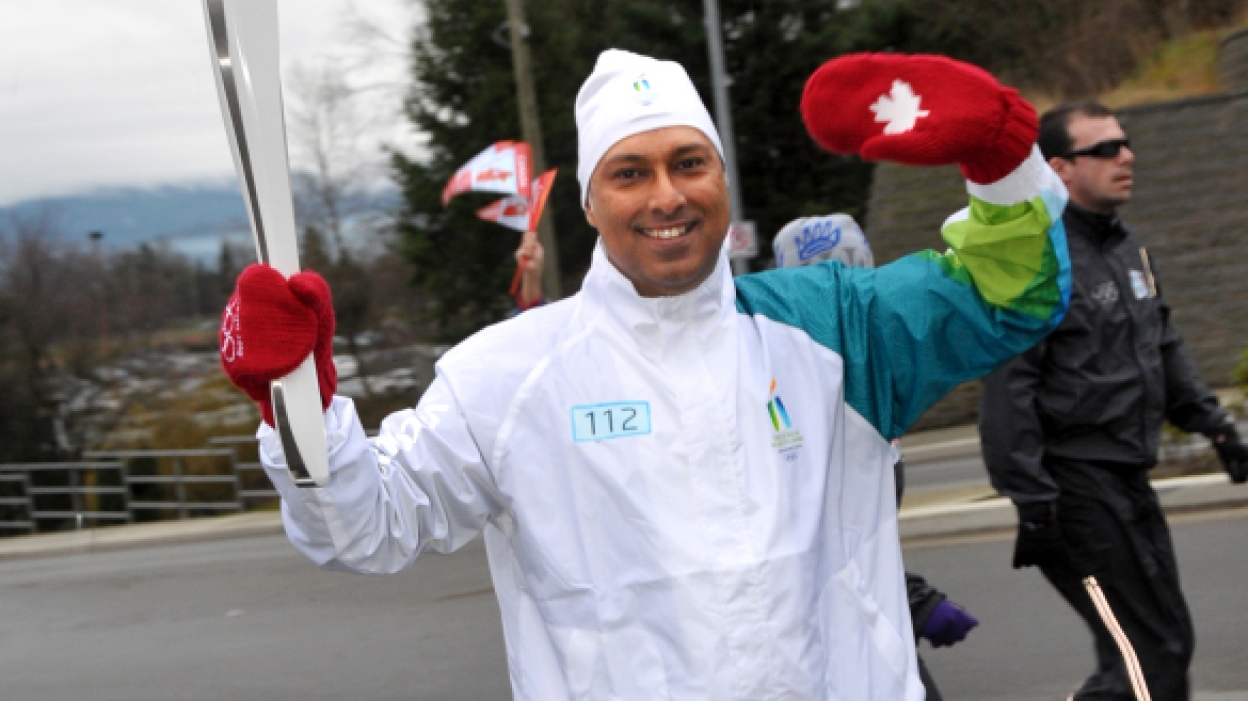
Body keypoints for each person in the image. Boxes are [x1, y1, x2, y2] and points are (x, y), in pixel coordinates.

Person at [222, 49, 1070, 699]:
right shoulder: (507, 376)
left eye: (688, 163)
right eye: (630, 173)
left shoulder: (835, 327)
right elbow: (362, 528)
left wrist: (1003, 164)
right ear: (590, 203)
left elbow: (1006, 296)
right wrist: (299, 405)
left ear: (721, 179)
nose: (666, 196)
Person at [979, 99, 1248, 701]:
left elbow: (1164, 340)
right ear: (1061, 168)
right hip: (1075, 488)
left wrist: (1217, 428)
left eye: (1124, 144)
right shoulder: (1037, 258)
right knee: (1148, 658)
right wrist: (1034, 503)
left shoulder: (1129, 248)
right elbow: (1009, 385)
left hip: (1128, 477)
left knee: (1163, 645)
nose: (1125, 156)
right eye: (1103, 149)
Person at [773, 215, 979, 701]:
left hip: (868, 626)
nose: (839, 297)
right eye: (817, 279)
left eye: (853, 274)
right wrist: (918, 602)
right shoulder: (777, 391)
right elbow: (813, 547)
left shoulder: (870, 377)